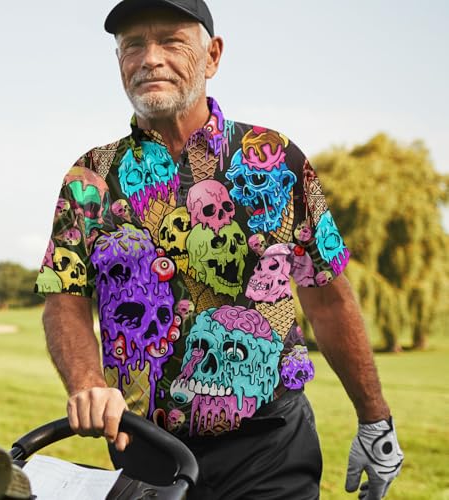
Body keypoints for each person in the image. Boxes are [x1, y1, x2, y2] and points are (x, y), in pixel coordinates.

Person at [35, 0, 404, 498]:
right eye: (133, 45)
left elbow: (328, 299)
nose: (150, 58)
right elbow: (65, 299)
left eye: (171, 41)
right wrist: (86, 382)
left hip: (270, 446)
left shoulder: (275, 159)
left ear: (212, 56)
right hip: (145, 451)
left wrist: (375, 420)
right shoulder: (89, 177)